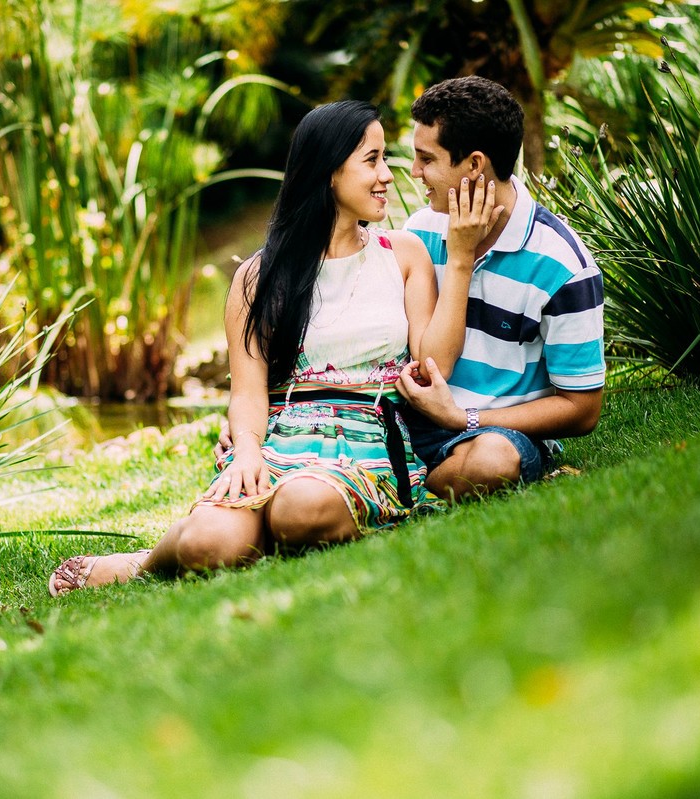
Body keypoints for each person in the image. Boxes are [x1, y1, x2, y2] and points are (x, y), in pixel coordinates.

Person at [48, 100, 500, 595]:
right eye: (371, 160)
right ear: (329, 171)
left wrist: (459, 261)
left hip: (365, 444)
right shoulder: (257, 279)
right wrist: (246, 452)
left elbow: (434, 365)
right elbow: (247, 391)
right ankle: (143, 562)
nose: (387, 176)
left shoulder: (403, 255)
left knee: (302, 507)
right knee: (207, 546)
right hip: (278, 443)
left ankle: (271, 528)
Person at [396, 76, 606, 501]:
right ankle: (407, 480)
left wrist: (464, 418)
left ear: (475, 165)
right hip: (409, 417)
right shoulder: (419, 232)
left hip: (494, 431)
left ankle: (407, 486)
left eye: (426, 159)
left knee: (492, 462)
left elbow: (582, 409)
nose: (415, 172)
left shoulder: (563, 265)